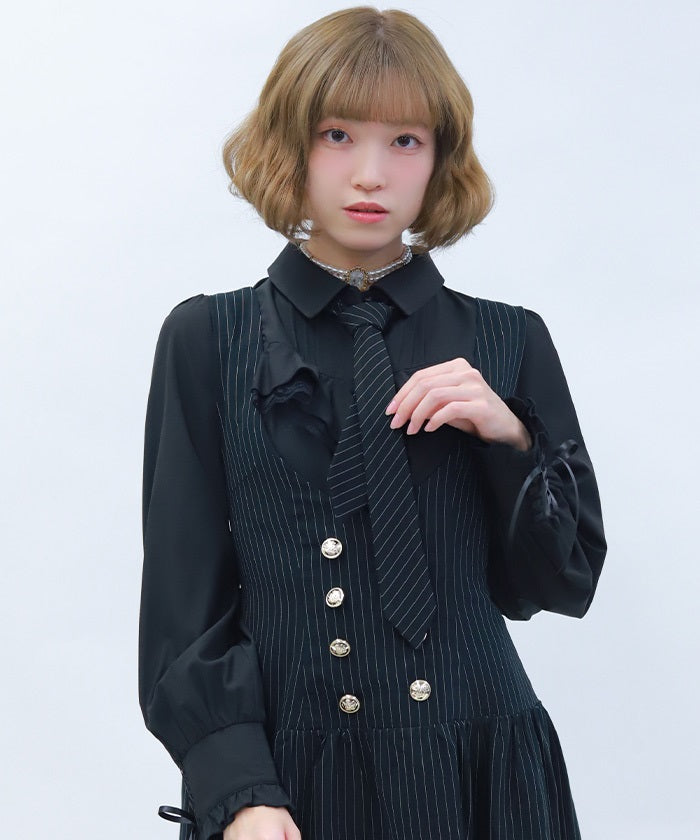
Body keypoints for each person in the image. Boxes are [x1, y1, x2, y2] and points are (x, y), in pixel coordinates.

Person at [138, 6, 607, 840]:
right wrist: (238, 786)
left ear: (440, 157)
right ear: (291, 144)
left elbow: (559, 586)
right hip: (290, 781)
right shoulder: (208, 338)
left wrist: (510, 441)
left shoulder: (510, 339)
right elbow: (183, 606)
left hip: (483, 770)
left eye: (405, 141)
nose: (370, 174)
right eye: (337, 135)